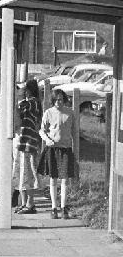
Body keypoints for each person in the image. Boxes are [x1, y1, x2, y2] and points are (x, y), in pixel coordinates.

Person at [37, 89, 77, 219]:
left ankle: (64, 207)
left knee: (65, 179)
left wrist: (75, 150)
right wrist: (48, 140)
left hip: (65, 149)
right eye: (56, 100)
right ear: (52, 101)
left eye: (60, 99)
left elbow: (74, 132)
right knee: (53, 179)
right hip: (53, 149)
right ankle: (54, 207)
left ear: (64, 100)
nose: (58, 102)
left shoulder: (70, 113)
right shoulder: (48, 113)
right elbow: (42, 131)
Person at [13, 79, 42, 214]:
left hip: (28, 142)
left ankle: (30, 203)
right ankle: (24, 202)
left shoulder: (33, 103)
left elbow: (20, 110)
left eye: (24, 89)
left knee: (28, 172)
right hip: (21, 141)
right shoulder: (27, 103)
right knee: (20, 172)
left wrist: (17, 96)